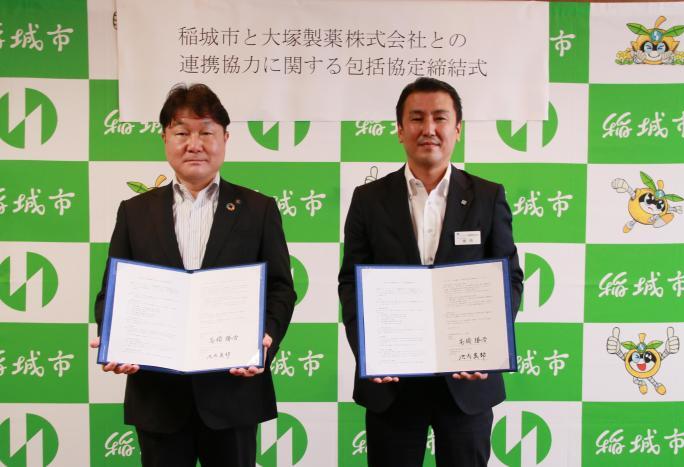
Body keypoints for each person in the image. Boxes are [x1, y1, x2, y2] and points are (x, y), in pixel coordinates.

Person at [92, 83, 296, 467]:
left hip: (232, 390)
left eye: (206, 132)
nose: (194, 143)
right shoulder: (135, 212)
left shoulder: (258, 209)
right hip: (158, 396)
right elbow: (113, 292)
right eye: (182, 132)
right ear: (165, 139)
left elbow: (281, 288)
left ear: (225, 139)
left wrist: (266, 336)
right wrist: (114, 336)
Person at [338, 77, 524, 467]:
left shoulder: (488, 197)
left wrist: (486, 351)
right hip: (393, 383)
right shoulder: (368, 200)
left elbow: (509, 278)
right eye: (417, 118)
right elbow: (351, 284)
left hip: (466, 382)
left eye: (440, 118)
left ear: (457, 128)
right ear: (400, 130)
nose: (429, 129)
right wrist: (371, 352)